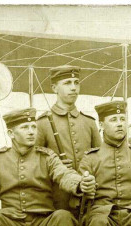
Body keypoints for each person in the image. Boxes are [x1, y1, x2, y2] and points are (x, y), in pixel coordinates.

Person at [36, 65, 101, 212]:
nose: (73, 88)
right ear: (54, 88)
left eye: (76, 83)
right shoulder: (42, 123)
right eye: (67, 83)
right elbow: (33, 165)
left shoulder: (89, 122)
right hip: (56, 202)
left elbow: (100, 161)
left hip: (87, 199)